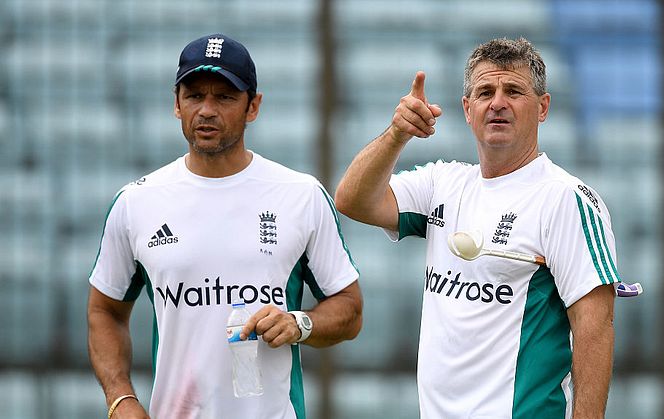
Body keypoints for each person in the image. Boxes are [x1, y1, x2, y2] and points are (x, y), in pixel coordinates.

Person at [335, 37, 621, 418]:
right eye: (485, 92)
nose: (497, 102)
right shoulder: (443, 183)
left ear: (543, 108)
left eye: (514, 91)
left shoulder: (565, 199)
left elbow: (594, 326)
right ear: (468, 110)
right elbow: (352, 200)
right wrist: (396, 135)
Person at [87, 33, 362, 419]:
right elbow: (105, 312)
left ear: (253, 107)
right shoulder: (136, 202)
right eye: (195, 95)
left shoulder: (301, 195)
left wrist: (299, 323)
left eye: (225, 97)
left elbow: (350, 310)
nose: (207, 110)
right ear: (176, 105)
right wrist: (121, 400)